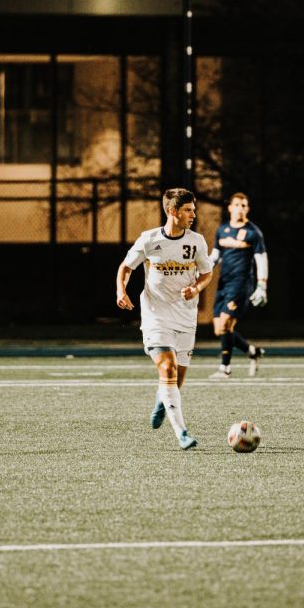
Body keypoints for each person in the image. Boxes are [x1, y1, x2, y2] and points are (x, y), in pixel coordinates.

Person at [116, 187, 214, 449]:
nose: (193, 214)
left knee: (176, 380)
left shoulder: (197, 242)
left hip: (185, 317)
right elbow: (126, 267)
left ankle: (162, 399)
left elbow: (207, 273)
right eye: (188, 210)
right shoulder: (148, 240)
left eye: (193, 209)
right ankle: (182, 433)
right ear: (172, 211)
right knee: (167, 368)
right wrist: (121, 290)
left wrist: (196, 288)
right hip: (155, 316)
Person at [208, 192, 269, 379]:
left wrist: (262, 285)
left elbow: (261, 259)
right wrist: (201, 270)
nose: (240, 208)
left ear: (247, 209)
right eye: (237, 205)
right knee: (219, 329)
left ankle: (225, 368)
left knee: (226, 324)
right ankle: (252, 350)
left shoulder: (253, 232)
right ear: (230, 208)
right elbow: (215, 256)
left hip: (241, 284)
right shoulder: (222, 230)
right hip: (223, 284)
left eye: (244, 205)